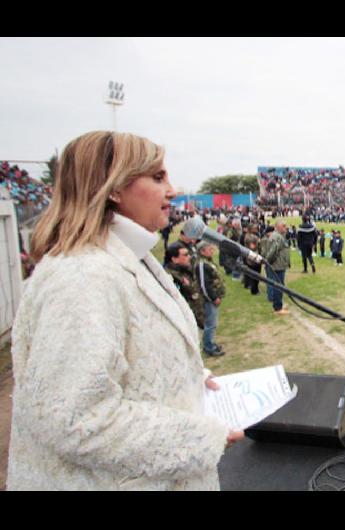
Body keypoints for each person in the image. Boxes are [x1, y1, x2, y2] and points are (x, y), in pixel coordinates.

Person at [8, 131, 240, 490]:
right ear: (113, 188)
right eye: (157, 177)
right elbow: (75, 420)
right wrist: (201, 435)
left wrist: (190, 377)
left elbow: (135, 354)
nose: (173, 190)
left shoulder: (129, 257)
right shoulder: (81, 276)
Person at [196, 241, 226, 357]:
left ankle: (211, 343)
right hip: (209, 299)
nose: (212, 251)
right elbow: (204, 285)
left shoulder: (207, 261)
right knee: (210, 323)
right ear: (202, 251)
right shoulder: (202, 264)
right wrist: (213, 298)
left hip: (213, 297)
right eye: (209, 249)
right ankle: (208, 347)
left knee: (213, 322)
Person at [165, 244, 205, 329]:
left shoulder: (186, 270)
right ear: (174, 259)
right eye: (185, 255)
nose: (189, 257)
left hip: (198, 318)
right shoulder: (170, 277)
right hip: (186, 321)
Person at [263, 220, 291, 315]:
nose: (285, 227)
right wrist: (268, 262)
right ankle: (278, 308)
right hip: (277, 266)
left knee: (279, 286)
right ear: (278, 227)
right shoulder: (277, 237)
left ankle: (279, 304)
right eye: (283, 226)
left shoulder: (276, 236)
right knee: (278, 287)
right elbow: (272, 252)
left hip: (278, 265)